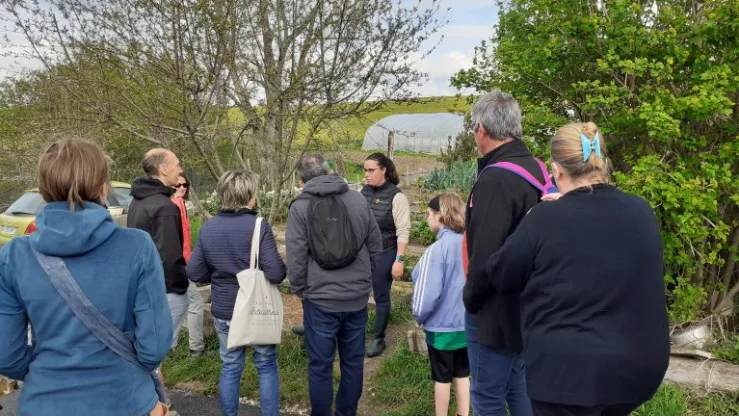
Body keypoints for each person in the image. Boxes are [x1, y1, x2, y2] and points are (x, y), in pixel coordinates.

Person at [483, 122, 670, 415]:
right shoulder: (641, 211)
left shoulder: (544, 219)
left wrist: (539, 215)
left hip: (568, 377)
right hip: (636, 371)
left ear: (556, 170)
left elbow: (501, 273)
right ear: (602, 163)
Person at [0, 137, 172, 415]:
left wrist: (50, 372)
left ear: (43, 190)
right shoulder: (137, 246)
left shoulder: (14, 256)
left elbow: (6, 354)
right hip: (125, 401)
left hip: (44, 404)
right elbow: (153, 348)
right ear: (103, 187)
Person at [462, 90, 549, 416]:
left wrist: (470, 300)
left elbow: (485, 257)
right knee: (520, 391)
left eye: (473, 129)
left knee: (487, 398)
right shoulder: (538, 170)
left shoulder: (497, 178)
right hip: (530, 307)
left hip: (494, 313)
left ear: (481, 129)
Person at [287, 154, 382, 416]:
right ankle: (346, 412)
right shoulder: (357, 199)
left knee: (320, 365)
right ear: (329, 170)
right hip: (356, 297)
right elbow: (375, 245)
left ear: (301, 180)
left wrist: (300, 289)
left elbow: (295, 254)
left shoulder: (300, 207)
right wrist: (365, 281)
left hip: (319, 299)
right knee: (353, 362)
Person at [187, 170, 286, 416]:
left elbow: (195, 271)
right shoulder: (258, 226)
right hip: (256, 308)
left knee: (230, 366)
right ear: (249, 195)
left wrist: (221, 273)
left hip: (225, 309)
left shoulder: (209, 227)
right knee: (265, 365)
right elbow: (275, 273)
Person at [411, 193, 471, 417]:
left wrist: (419, 316)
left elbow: (428, 292)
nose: (427, 218)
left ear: (441, 215)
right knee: (463, 373)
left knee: (442, 377)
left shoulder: (436, 251)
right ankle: (463, 414)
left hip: (441, 328)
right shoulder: (470, 243)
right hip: (466, 325)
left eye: (429, 214)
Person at [128, 148, 190, 352]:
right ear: (163, 169)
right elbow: (169, 256)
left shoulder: (137, 201)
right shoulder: (164, 207)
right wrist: (180, 287)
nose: (180, 170)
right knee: (157, 350)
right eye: (177, 165)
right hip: (165, 291)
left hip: (143, 287)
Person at [361, 152, 411, 357]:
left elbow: (403, 231)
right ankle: (353, 333)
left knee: (381, 295)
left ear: (384, 170)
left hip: (385, 251)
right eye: (365, 170)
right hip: (362, 252)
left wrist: (399, 260)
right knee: (356, 293)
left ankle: (378, 339)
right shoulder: (362, 192)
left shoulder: (397, 197)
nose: (367, 174)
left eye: (371, 170)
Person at [171, 173, 205, 357]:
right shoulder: (173, 204)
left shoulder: (180, 203)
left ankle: (172, 346)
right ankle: (195, 348)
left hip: (183, 263)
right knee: (194, 303)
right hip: (178, 265)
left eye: (185, 184)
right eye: (178, 185)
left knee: (182, 304)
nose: (182, 187)